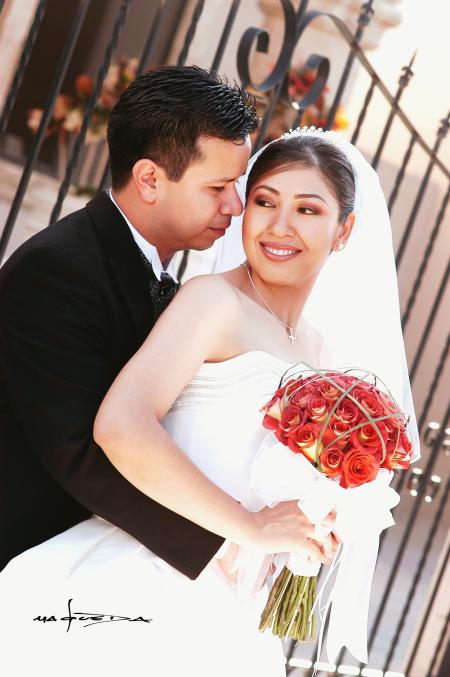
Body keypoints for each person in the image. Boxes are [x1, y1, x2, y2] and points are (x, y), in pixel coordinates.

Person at [0, 127, 419, 676]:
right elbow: (122, 425)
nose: (280, 226)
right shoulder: (212, 301)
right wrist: (247, 528)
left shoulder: (325, 352)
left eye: (308, 210)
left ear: (345, 231)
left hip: (235, 607)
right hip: (150, 576)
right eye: (265, 202)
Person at [0, 65, 263, 576]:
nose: (235, 205)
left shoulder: (165, 277)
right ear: (149, 179)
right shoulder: (56, 269)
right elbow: (78, 451)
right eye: (219, 187)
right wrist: (228, 543)